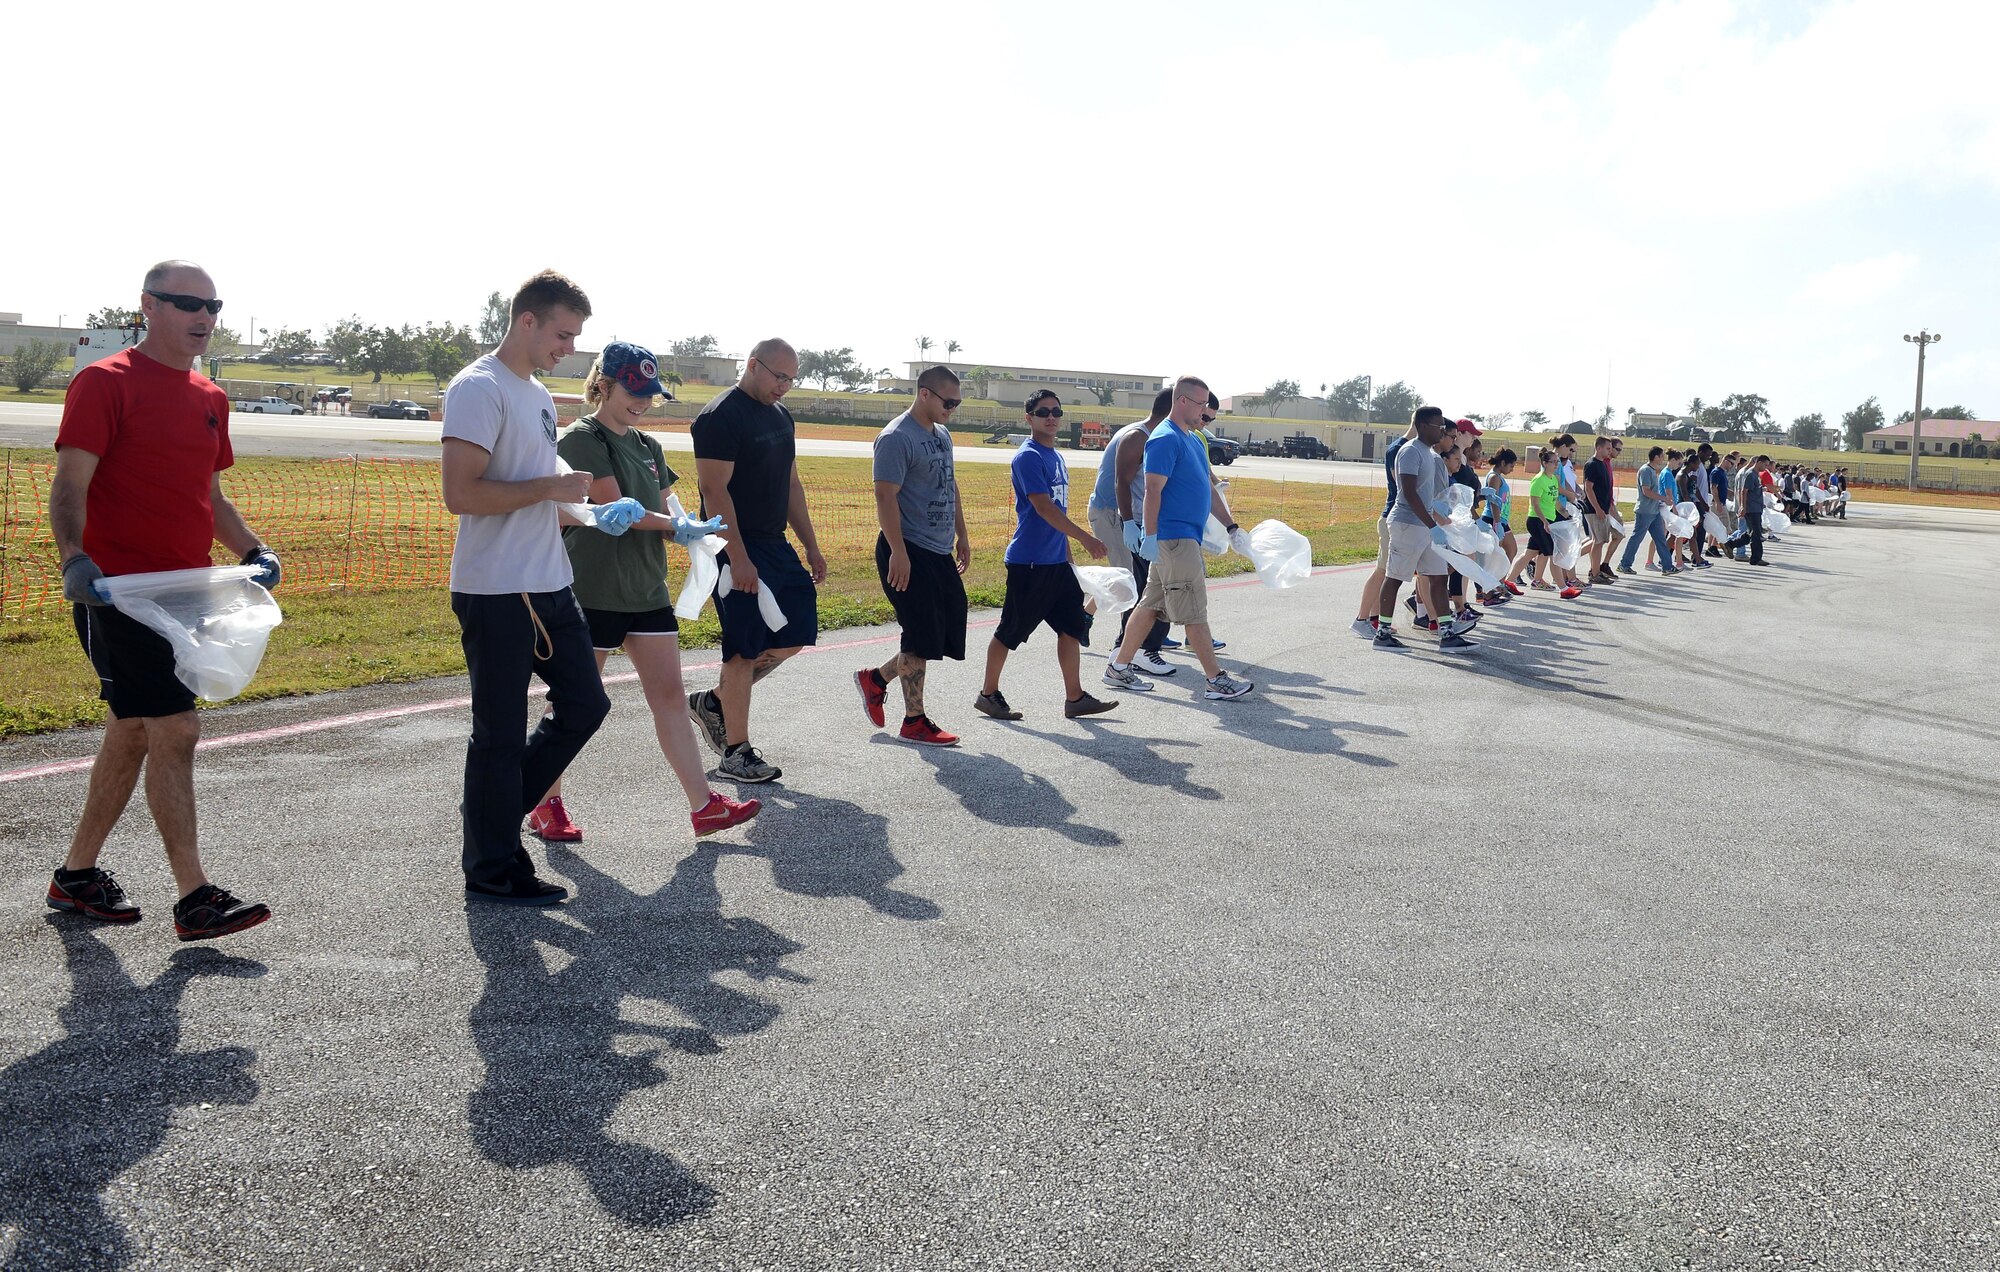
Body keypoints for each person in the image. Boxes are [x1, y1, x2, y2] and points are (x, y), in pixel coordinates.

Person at [46, 259, 278, 939]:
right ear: (149, 305)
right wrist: (73, 559)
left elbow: (209, 498)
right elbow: (69, 485)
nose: (202, 317)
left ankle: (77, 876)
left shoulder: (210, 397)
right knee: (175, 728)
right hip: (119, 593)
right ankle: (194, 895)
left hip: (185, 594)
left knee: (133, 730)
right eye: (186, 303)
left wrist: (252, 550)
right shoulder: (103, 382)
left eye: (212, 306)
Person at [525, 342, 759, 844]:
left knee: (671, 699)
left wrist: (687, 527)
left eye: (651, 393)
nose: (643, 401)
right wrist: (676, 525)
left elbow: (664, 510)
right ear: (603, 385)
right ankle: (545, 804)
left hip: (645, 589)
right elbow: (617, 509)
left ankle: (704, 807)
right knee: (572, 704)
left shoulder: (648, 447)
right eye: (634, 390)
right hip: (591, 590)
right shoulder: (583, 438)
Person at [443, 269, 622, 906]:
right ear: (527, 321)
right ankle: (492, 868)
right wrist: (550, 489)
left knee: (586, 706)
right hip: (497, 589)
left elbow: (544, 484)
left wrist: (594, 513)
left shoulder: (540, 395)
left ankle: (491, 831)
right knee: (498, 732)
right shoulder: (478, 388)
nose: (570, 347)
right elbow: (460, 494)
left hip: (548, 579)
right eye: (563, 333)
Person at [688, 339, 829, 784]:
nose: (785, 386)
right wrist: (738, 556)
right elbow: (714, 490)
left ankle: (714, 702)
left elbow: (790, 482)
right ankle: (736, 752)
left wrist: (810, 544)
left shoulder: (781, 415)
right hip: (732, 541)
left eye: (792, 378)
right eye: (778, 376)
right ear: (753, 366)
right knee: (743, 645)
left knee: (796, 631)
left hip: (773, 541)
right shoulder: (720, 416)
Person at [1103, 376, 1256, 695]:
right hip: (1173, 539)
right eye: (1201, 404)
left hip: (1183, 537)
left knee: (1148, 607)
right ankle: (1216, 679)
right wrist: (1150, 535)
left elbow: (1208, 490)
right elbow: (1153, 491)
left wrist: (1231, 526)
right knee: (1194, 610)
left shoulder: (1191, 438)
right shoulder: (1164, 438)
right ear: (1182, 401)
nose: (1205, 411)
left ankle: (1118, 667)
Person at [976, 390, 1117, 720]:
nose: (1051, 417)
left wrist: (1067, 552)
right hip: (1030, 562)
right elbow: (1042, 508)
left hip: (1054, 562)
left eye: (1056, 411)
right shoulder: (1028, 457)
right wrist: (1084, 537)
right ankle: (988, 694)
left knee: (1071, 628)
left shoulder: (1055, 456)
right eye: (1042, 412)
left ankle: (1075, 698)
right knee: (1010, 631)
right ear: (1029, 418)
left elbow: (1059, 511)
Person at [856, 366, 972, 746]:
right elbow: (884, 496)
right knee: (921, 636)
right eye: (947, 401)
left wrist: (963, 535)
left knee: (946, 626)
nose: (952, 409)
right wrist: (899, 552)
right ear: (924, 394)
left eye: (957, 402)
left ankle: (875, 680)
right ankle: (914, 721)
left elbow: (950, 484)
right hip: (906, 548)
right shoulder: (895, 438)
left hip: (938, 549)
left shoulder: (942, 436)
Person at [1372, 407, 1475, 652]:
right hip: (1408, 524)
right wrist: (1432, 524)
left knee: (1438, 577)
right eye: (1438, 425)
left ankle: (1447, 633)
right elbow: (1408, 492)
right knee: (1395, 577)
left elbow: (1429, 494)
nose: (1442, 430)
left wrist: (1436, 520)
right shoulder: (1410, 451)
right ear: (1423, 425)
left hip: (1427, 525)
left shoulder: (1430, 454)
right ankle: (1383, 633)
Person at [1087, 390, 1175, 673]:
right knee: (1131, 584)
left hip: (1124, 515)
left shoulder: (1152, 434)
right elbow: (1120, 485)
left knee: (1131, 581)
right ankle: (1126, 648)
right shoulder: (1139, 436)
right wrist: (1129, 523)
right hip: (1112, 514)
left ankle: (1085, 620)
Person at [1352, 414, 1422, 638]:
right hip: (1393, 516)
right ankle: (1361, 619)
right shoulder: (1400, 448)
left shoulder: (1411, 448)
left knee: (1388, 571)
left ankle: (1373, 619)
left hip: (1399, 518)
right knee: (1382, 571)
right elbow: (1404, 484)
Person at [1618, 446, 1678, 576]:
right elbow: (1646, 491)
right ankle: (1624, 564)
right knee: (1636, 538)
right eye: (1661, 456)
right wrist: (1663, 498)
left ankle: (1667, 566)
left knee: (1660, 538)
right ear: (1656, 457)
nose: (1663, 459)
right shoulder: (1645, 470)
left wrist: (1660, 501)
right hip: (1645, 511)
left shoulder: (1652, 471)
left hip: (1654, 511)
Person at [1581, 435, 1620, 584]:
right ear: (1599, 448)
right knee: (1597, 541)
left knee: (1600, 541)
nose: (1609, 451)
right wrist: (1597, 508)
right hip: (1593, 509)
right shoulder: (1592, 464)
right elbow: (1588, 488)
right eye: (1607, 448)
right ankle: (1595, 573)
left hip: (1603, 509)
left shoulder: (1603, 464)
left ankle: (1596, 570)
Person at [1736, 454, 1771, 565]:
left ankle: (1730, 544)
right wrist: (1743, 506)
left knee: (1751, 533)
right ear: (1759, 462)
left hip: (1756, 507)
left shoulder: (1756, 475)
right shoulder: (1750, 474)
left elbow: (1755, 490)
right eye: (1765, 465)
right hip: (1751, 508)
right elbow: (1744, 491)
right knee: (1756, 534)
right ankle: (1756, 558)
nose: (1765, 468)